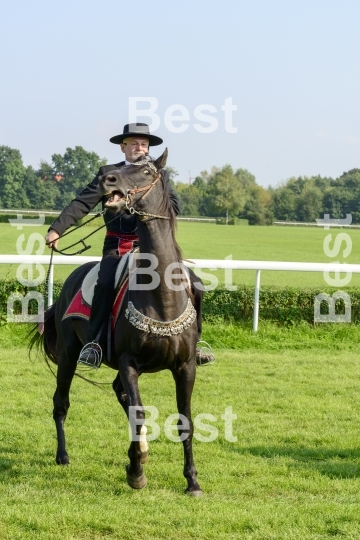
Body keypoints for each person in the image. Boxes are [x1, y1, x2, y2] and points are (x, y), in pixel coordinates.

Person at [45, 123, 214, 367]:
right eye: (134, 143)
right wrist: (56, 228)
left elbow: (174, 207)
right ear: (123, 147)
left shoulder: (158, 174)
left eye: (144, 144)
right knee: (104, 284)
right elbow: (83, 202)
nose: (140, 148)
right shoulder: (110, 174)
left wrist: (147, 199)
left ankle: (195, 344)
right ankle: (93, 345)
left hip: (154, 248)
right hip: (118, 245)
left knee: (195, 283)